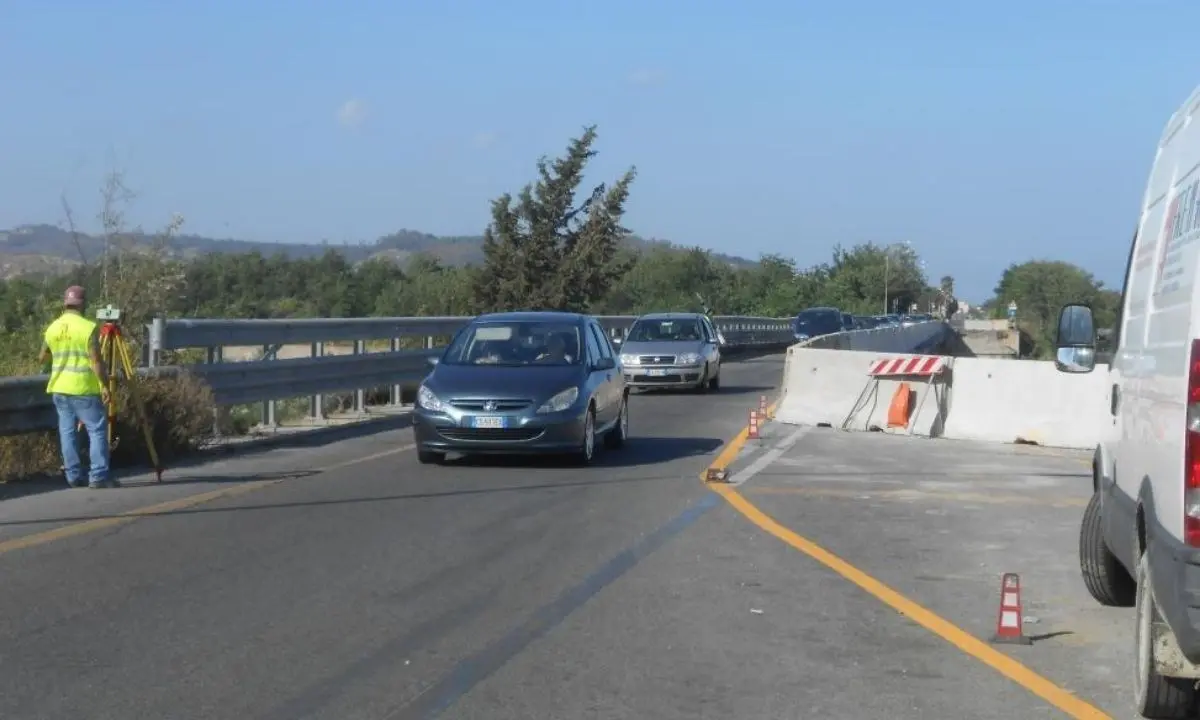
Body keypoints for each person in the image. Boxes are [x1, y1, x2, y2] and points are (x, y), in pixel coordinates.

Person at [38, 286, 116, 488]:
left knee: (67, 432)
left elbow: (42, 357)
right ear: (83, 303)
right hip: (83, 389)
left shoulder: (53, 328)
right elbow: (96, 361)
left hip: (59, 388)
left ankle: (73, 476)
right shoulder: (87, 327)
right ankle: (98, 476)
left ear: (65, 303)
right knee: (97, 430)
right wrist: (105, 385)